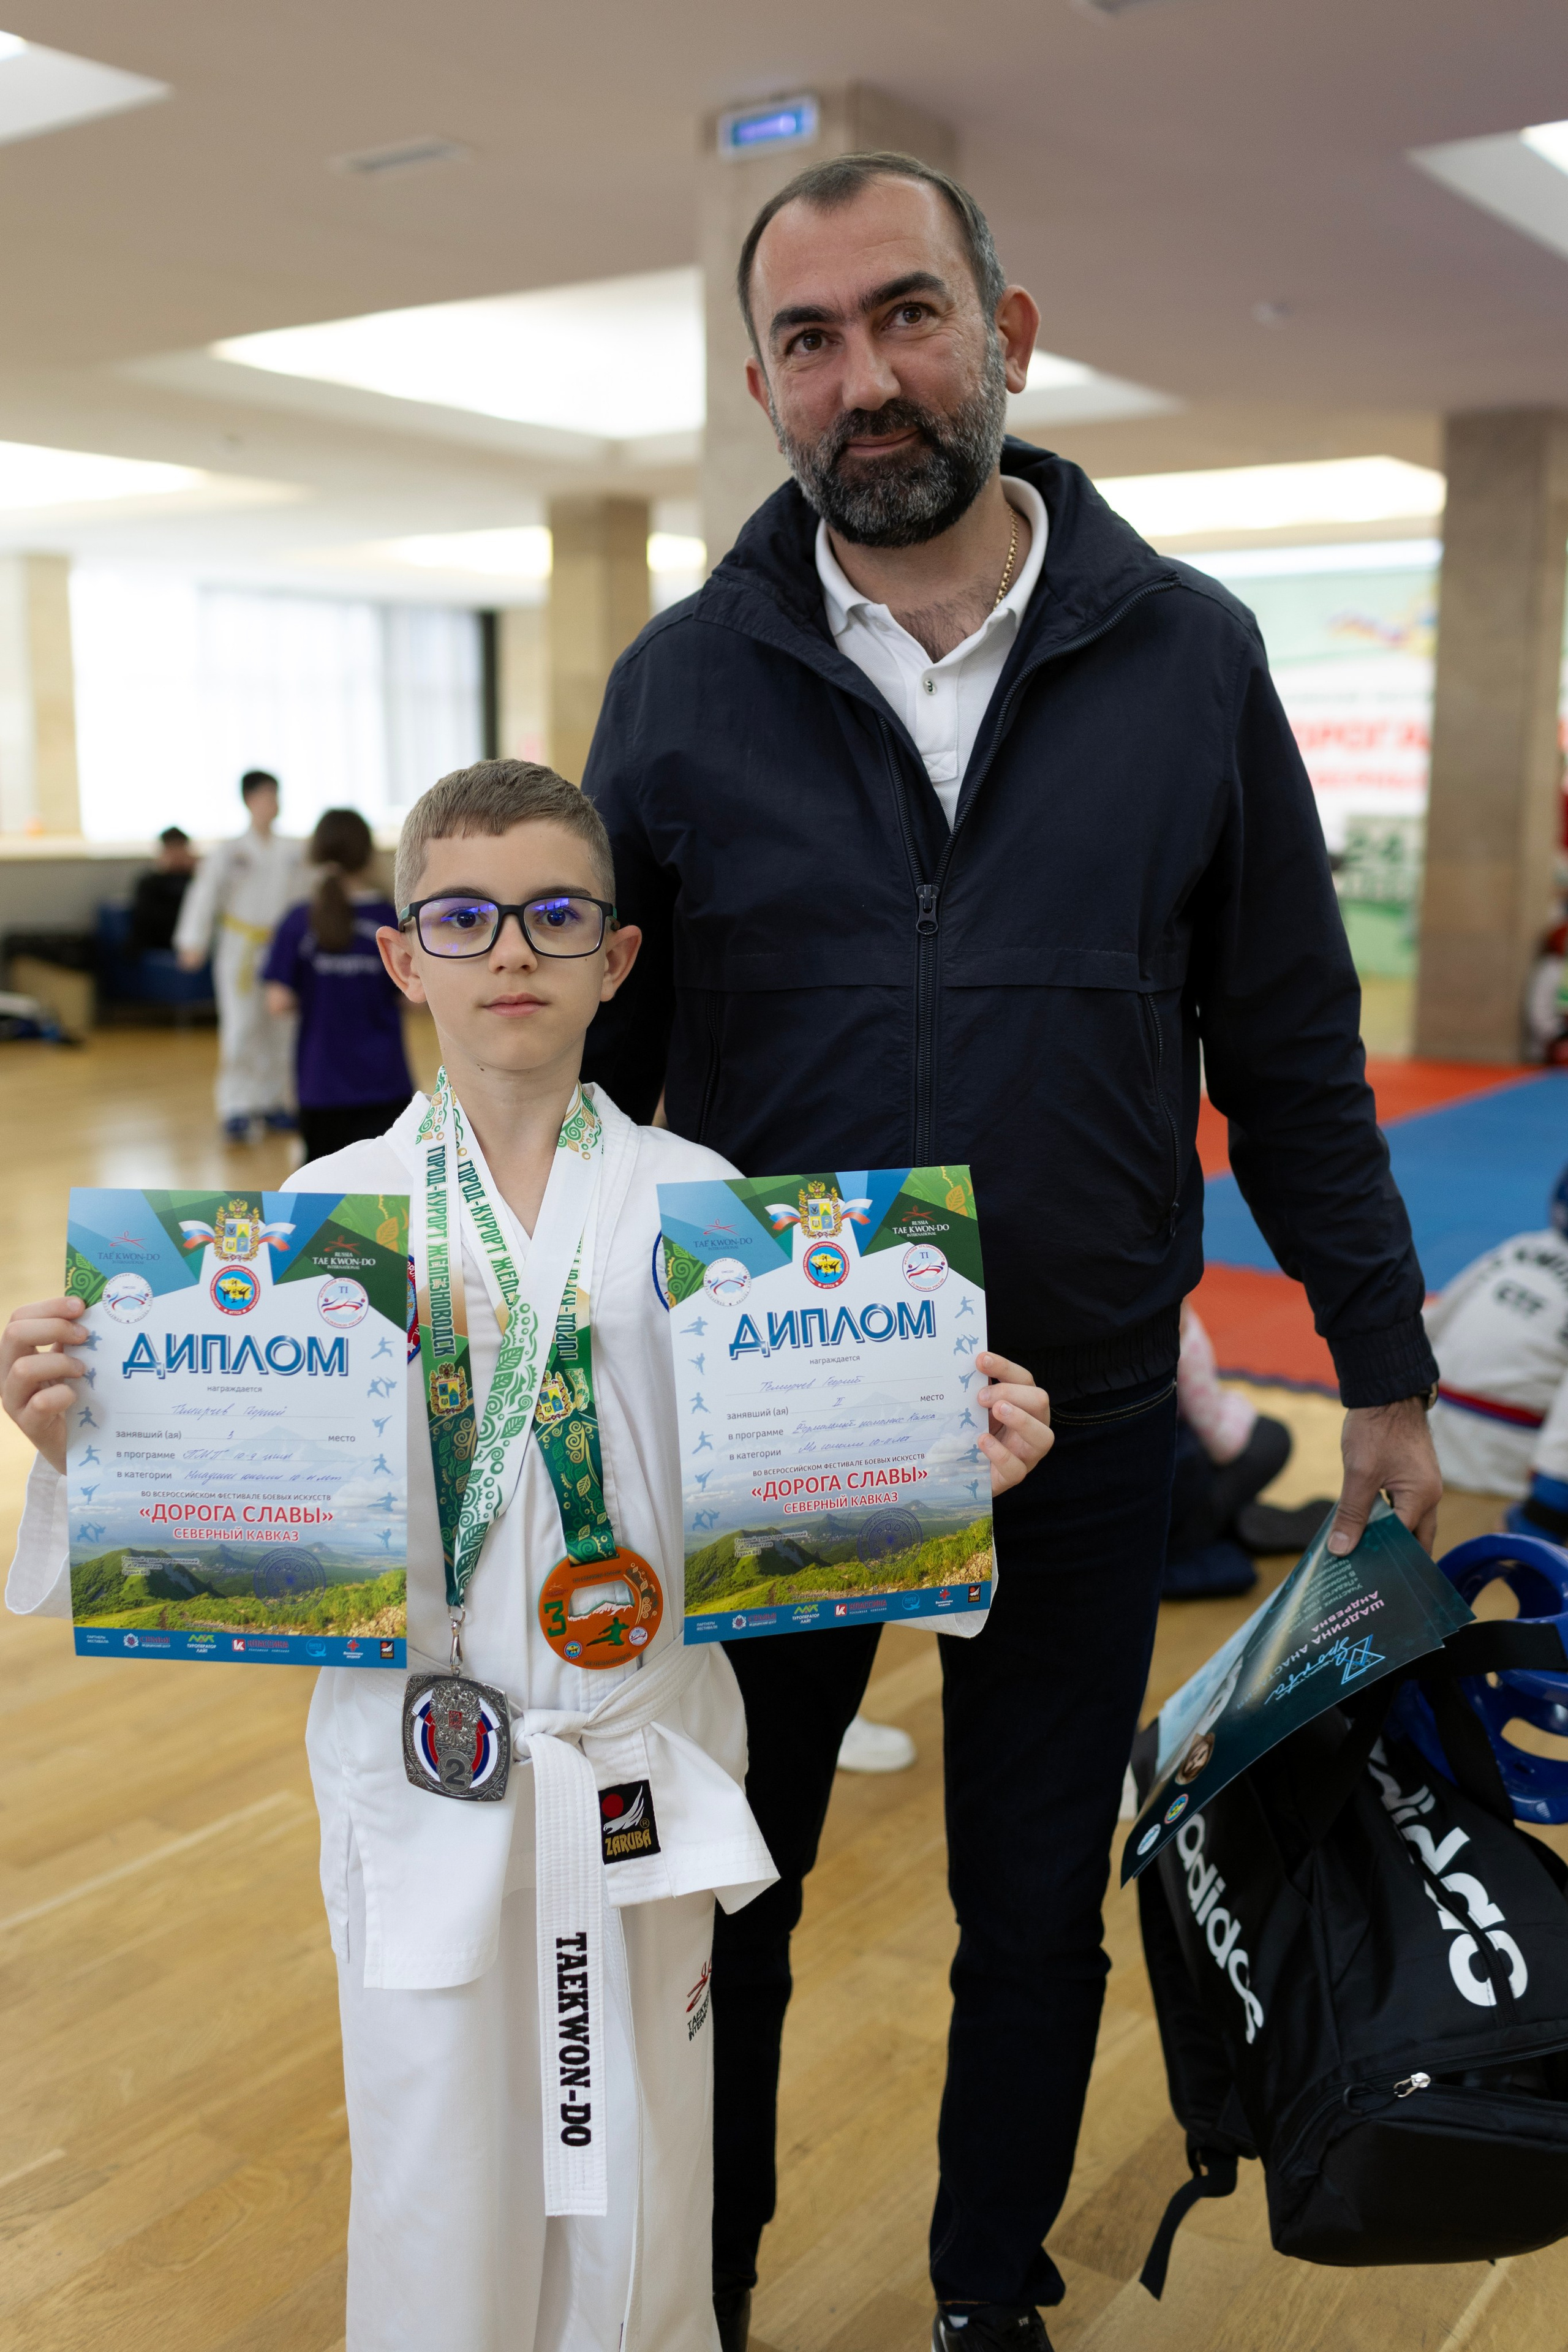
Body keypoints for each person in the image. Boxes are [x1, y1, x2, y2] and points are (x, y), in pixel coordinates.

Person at [579, 153, 1442, 2352]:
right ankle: (707, 2288)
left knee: (1026, 1899)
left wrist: (1377, 1369)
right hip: (765, 1404)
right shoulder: (681, 689)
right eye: (805, 338)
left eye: (901, 317)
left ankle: (985, 2296)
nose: (860, 376)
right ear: (758, 382)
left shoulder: (1185, 660)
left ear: (1006, 330)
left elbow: (1289, 1048)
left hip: (1065, 1411)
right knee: (727, 1893)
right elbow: (596, 1086)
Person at [1, 757, 1058, 2352]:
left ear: (615, 960)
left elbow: (780, 1498)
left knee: (640, 2160)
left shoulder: (714, 1216)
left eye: (557, 915)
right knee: (432, 2162)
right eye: (467, 917)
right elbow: (259, 1517)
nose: (513, 950)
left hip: (636, 1751)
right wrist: (95, 1444)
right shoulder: (320, 1221)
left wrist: (941, 1466)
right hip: (420, 1764)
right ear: (403, 954)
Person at [263, 807, 413, 1162]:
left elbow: (278, 1001)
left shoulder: (299, 921)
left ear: (316, 854)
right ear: (368, 855)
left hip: (320, 1084)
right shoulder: (390, 920)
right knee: (386, 1192)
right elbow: (413, 997)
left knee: (321, 1193)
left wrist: (324, 995)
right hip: (384, 1080)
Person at [1425, 1164, 1568, 1538]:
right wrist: (1543, 1519)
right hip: (1509, 1465)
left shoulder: (1520, 1247)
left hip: (1424, 1435)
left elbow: (1431, 1324)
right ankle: (1547, 1513)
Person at [1162, 1302, 1333, 1595]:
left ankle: (1217, 1522)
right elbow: (1222, 1445)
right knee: (1272, 1437)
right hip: (1170, 1496)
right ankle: (1195, 1536)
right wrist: (1238, 1406)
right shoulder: (1183, 1341)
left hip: (1119, 1494)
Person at [175, 769, 304, 1140]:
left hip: (281, 947)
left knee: (282, 1028)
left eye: (276, 795)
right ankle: (236, 1106)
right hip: (241, 949)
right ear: (249, 800)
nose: (273, 803)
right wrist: (193, 941)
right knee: (242, 1027)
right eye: (266, 795)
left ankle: (276, 1102)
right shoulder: (228, 852)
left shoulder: (293, 851)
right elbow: (204, 897)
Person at [128, 824, 197, 952]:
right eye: (173, 849)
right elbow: (146, 920)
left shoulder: (196, 881)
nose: (178, 855)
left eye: (181, 848)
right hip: (162, 942)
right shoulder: (150, 882)